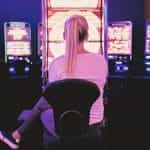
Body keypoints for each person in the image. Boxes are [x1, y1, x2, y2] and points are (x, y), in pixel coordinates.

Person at [0, 15, 108, 150]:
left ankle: (17, 134)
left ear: (64, 36)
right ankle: (17, 134)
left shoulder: (56, 64)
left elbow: (50, 100)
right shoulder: (101, 61)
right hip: (93, 126)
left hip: (63, 127)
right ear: (87, 36)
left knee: (43, 107)